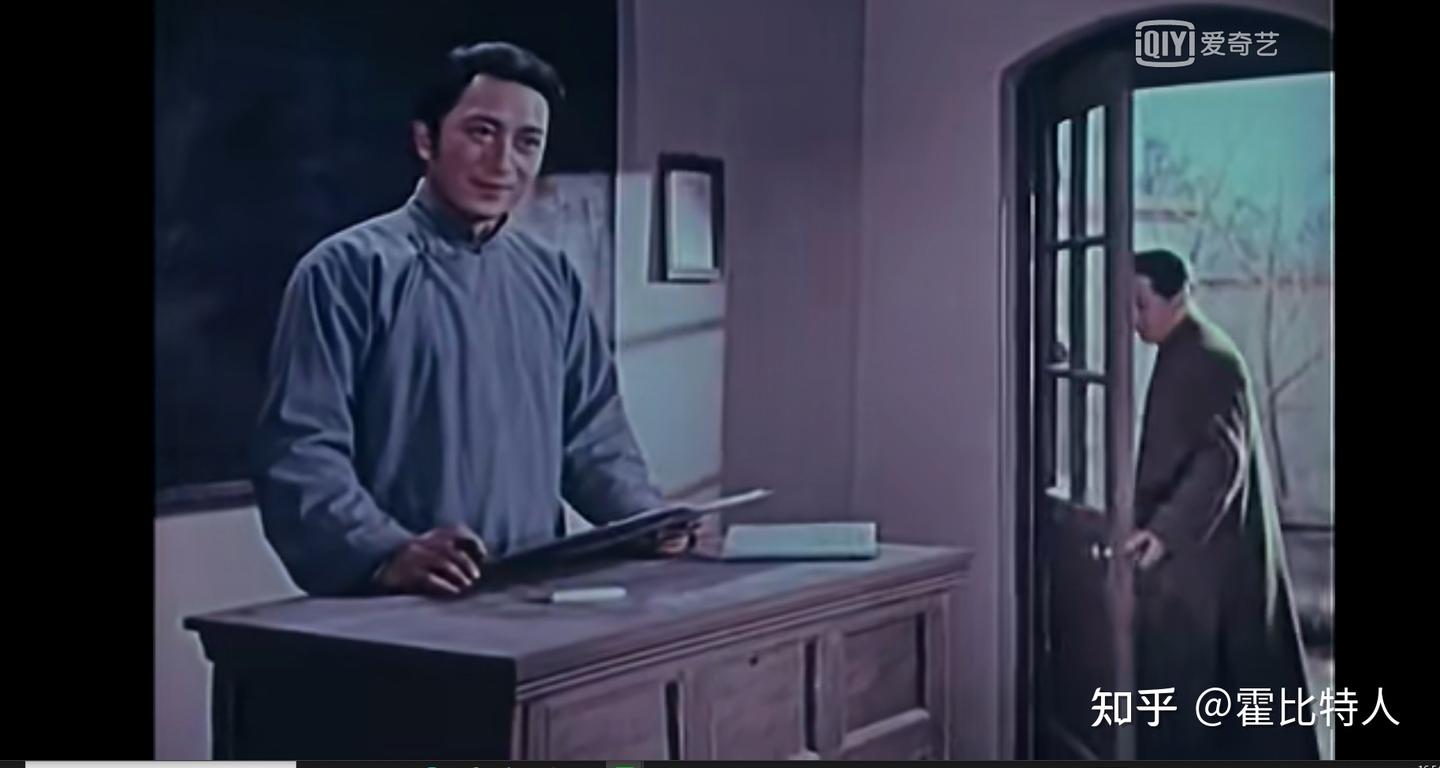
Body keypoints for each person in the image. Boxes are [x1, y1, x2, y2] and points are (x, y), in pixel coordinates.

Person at [254, 42, 688, 598]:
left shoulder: (551, 276)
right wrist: (387, 552)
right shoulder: (347, 270)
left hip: (535, 597)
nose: (503, 163)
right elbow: (302, 448)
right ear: (425, 140)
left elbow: (592, 435)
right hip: (401, 604)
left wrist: (646, 520)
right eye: (482, 132)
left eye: (527, 142)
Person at [1123, 248, 1320, 759]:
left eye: (1141, 305)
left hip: (1211, 561)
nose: (1134, 319)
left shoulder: (1208, 356)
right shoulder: (1187, 349)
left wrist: (1163, 530)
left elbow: (1220, 461)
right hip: (1200, 555)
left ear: (1177, 298)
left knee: (1213, 703)